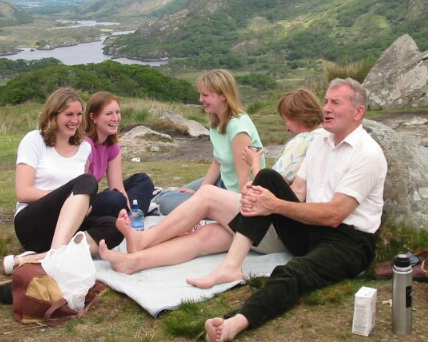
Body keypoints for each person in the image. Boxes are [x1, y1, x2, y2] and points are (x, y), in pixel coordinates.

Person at [203, 78, 387, 342]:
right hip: (309, 228)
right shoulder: (321, 141)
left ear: (357, 112)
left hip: (348, 241)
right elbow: (299, 191)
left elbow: (335, 214)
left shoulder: (368, 154)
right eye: (325, 101)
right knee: (267, 177)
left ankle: (233, 323)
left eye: (335, 103)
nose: (326, 108)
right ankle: (232, 266)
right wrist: (265, 197)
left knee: (294, 271)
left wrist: (274, 205)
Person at [98, 88, 326, 275]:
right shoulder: (324, 139)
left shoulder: (304, 140)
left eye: (286, 118)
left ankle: (143, 239)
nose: (285, 125)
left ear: (296, 115)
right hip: (294, 233)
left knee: (207, 195)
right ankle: (134, 262)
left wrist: (255, 163)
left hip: (279, 227)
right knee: (206, 237)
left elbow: (271, 188)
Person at [2, 87, 123, 275]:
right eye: (69, 114)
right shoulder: (34, 140)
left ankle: (40, 257)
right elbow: (23, 192)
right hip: (33, 224)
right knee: (87, 181)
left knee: (114, 227)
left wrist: (82, 205)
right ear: (54, 115)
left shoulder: (83, 147)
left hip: (65, 226)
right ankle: (57, 256)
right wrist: (70, 200)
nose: (75, 121)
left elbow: (79, 196)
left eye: (78, 114)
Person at [151, 69, 263, 215]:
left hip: (234, 194)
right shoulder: (216, 122)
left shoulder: (238, 128)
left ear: (223, 96)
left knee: (163, 203)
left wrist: (239, 211)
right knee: (176, 195)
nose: (200, 99)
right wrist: (202, 190)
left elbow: (244, 178)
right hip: (223, 180)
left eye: (205, 95)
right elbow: (218, 161)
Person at [83, 91, 155, 219]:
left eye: (117, 112)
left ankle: (130, 218)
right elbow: (77, 190)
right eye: (109, 114)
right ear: (93, 117)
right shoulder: (84, 145)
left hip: (100, 200)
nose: (115, 118)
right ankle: (121, 218)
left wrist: (128, 213)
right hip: (82, 204)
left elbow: (117, 187)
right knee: (114, 199)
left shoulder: (112, 146)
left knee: (143, 181)